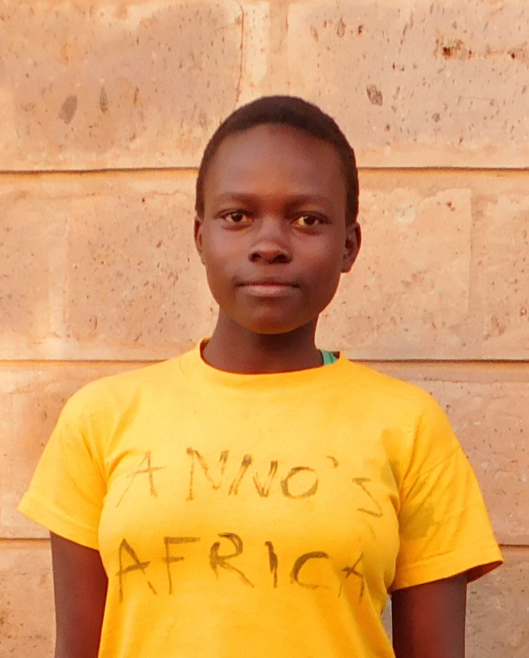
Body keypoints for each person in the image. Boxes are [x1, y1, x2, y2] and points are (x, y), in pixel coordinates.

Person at [19, 95, 502, 658]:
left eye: (307, 219)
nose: (269, 245)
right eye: (237, 216)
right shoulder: (100, 419)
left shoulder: (409, 426)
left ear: (348, 246)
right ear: (201, 237)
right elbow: (76, 647)